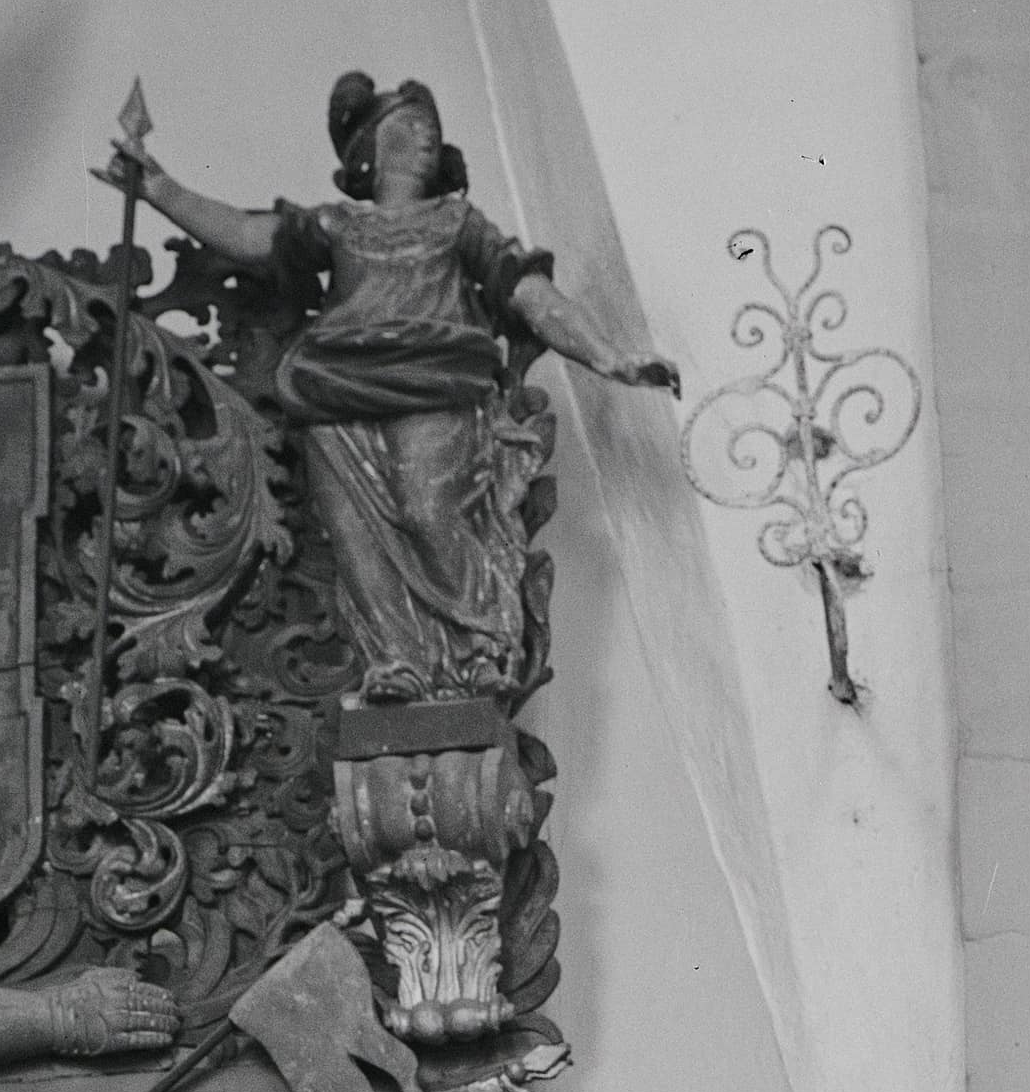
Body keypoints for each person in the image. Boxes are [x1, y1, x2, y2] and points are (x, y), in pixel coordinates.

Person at [99, 74, 672, 706]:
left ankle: (483, 644)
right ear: (368, 151)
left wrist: (609, 356)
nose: (426, 137)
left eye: (432, 129)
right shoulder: (339, 225)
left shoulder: (457, 222)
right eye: (410, 126)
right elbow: (248, 235)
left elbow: (531, 295)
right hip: (335, 391)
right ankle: (398, 660)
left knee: (429, 512)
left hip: (433, 381)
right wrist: (158, 187)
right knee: (355, 537)